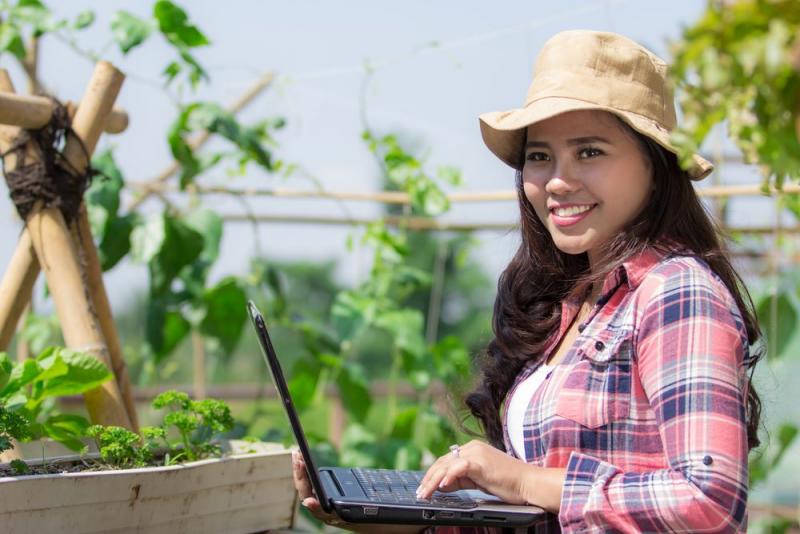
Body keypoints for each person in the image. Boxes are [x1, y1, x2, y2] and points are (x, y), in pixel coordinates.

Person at [293, 29, 762, 533]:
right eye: (540, 156)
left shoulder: (675, 292)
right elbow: (538, 517)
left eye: (589, 152)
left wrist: (519, 480)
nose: (557, 180)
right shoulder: (572, 303)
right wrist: (388, 517)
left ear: (656, 164)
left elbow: (708, 502)